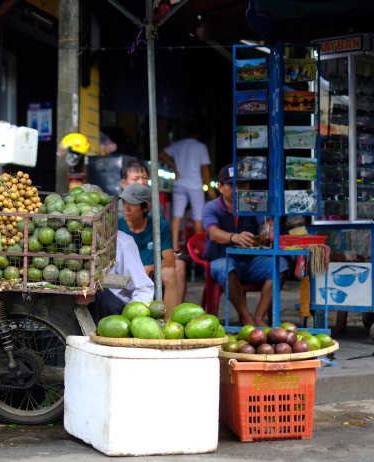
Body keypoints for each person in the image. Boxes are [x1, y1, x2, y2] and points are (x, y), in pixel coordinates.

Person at [201, 165, 288, 327]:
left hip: (249, 263)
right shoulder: (211, 207)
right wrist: (234, 237)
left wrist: (268, 226)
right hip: (218, 263)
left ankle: (259, 317)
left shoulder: (253, 203)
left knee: (280, 265)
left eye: (242, 185)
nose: (237, 189)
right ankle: (246, 319)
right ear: (220, 187)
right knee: (227, 267)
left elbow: (267, 229)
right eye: (232, 185)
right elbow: (213, 233)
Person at [118, 160, 186, 302]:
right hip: (123, 268)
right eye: (135, 179)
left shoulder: (157, 214)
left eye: (144, 178)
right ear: (123, 183)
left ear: (146, 207)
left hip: (151, 263)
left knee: (175, 268)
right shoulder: (115, 217)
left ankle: (171, 319)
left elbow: (161, 240)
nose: (141, 182)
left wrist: (160, 260)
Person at [159, 122, 217, 251]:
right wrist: (210, 188)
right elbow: (205, 169)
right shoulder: (201, 146)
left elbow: (161, 154)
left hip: (179, 184)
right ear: (198, 134)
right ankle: (197, 247)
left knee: (177, 215)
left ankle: (174, 245)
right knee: (198, 215)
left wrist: (174, 167)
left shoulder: (178, 145)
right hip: (195, 185)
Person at [87, 230, 155, 324]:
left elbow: (144, 288)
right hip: (87, 309)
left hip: (117, 312)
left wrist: (130, 318)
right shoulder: (73, 244)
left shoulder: (123, 242)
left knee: (98, 291)